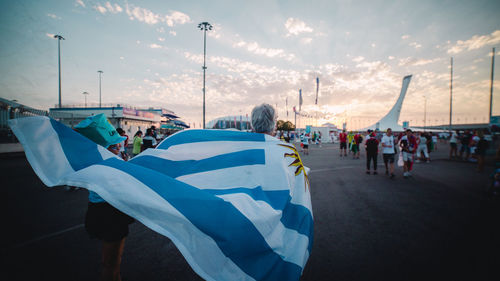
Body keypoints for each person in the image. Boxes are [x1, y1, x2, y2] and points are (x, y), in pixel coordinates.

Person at [83, 135, 134, 281]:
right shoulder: (109, 163)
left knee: (111, 262)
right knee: (111, 263)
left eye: (119, 144)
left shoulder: (92, 161)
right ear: (102, 148)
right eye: (113, 146)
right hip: (111, 213)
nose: (119, 148)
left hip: (97, 210)